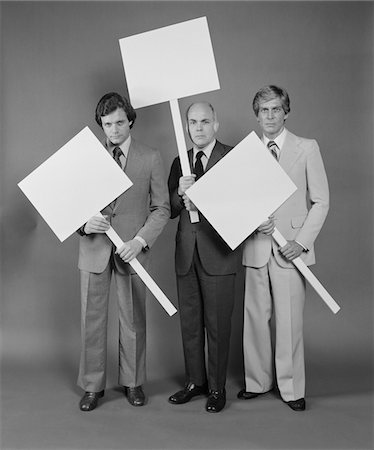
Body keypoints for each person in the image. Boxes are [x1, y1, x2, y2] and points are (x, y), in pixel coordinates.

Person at [76, 92, 170, 411]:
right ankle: (92, 386)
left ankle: (132, 383)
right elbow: (69, 204)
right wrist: (84, 224)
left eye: (119, 122)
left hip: (133, 250)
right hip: (94, 248)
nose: (113, 130)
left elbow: (161, 208)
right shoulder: (88, 158)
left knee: (133, 320)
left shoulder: (151, 156)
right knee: (92, 320)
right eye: (107, 124)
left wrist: (140, 241)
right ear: (100, 125)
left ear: (129, 120)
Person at [238, 85, 329, 411]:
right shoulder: (247, 153)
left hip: (290, 249)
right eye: (264, 110)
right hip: (256, 246)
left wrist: (301, 242)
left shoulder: (306, 148)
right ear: (257, 115)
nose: (270, 116)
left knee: (289, 322)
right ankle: (258, 382)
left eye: (276, 109)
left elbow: (321, 201)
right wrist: (250, 221)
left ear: (286, 112)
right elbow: (236, 203)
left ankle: (292, 389)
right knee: (255, 320)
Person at [167, 102, 240, 413]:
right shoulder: (179, 162)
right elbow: (169, 209)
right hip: (186, 252)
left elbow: (241, 205)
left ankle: (216, 387)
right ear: (186, 126)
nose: (198, 127)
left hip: (219, 252)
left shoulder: (233, 157)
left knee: (217, 325)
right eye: (193, 122)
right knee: (191, 323)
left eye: (205, 121)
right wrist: (179, 194)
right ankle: (195, 381)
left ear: (216, 124)